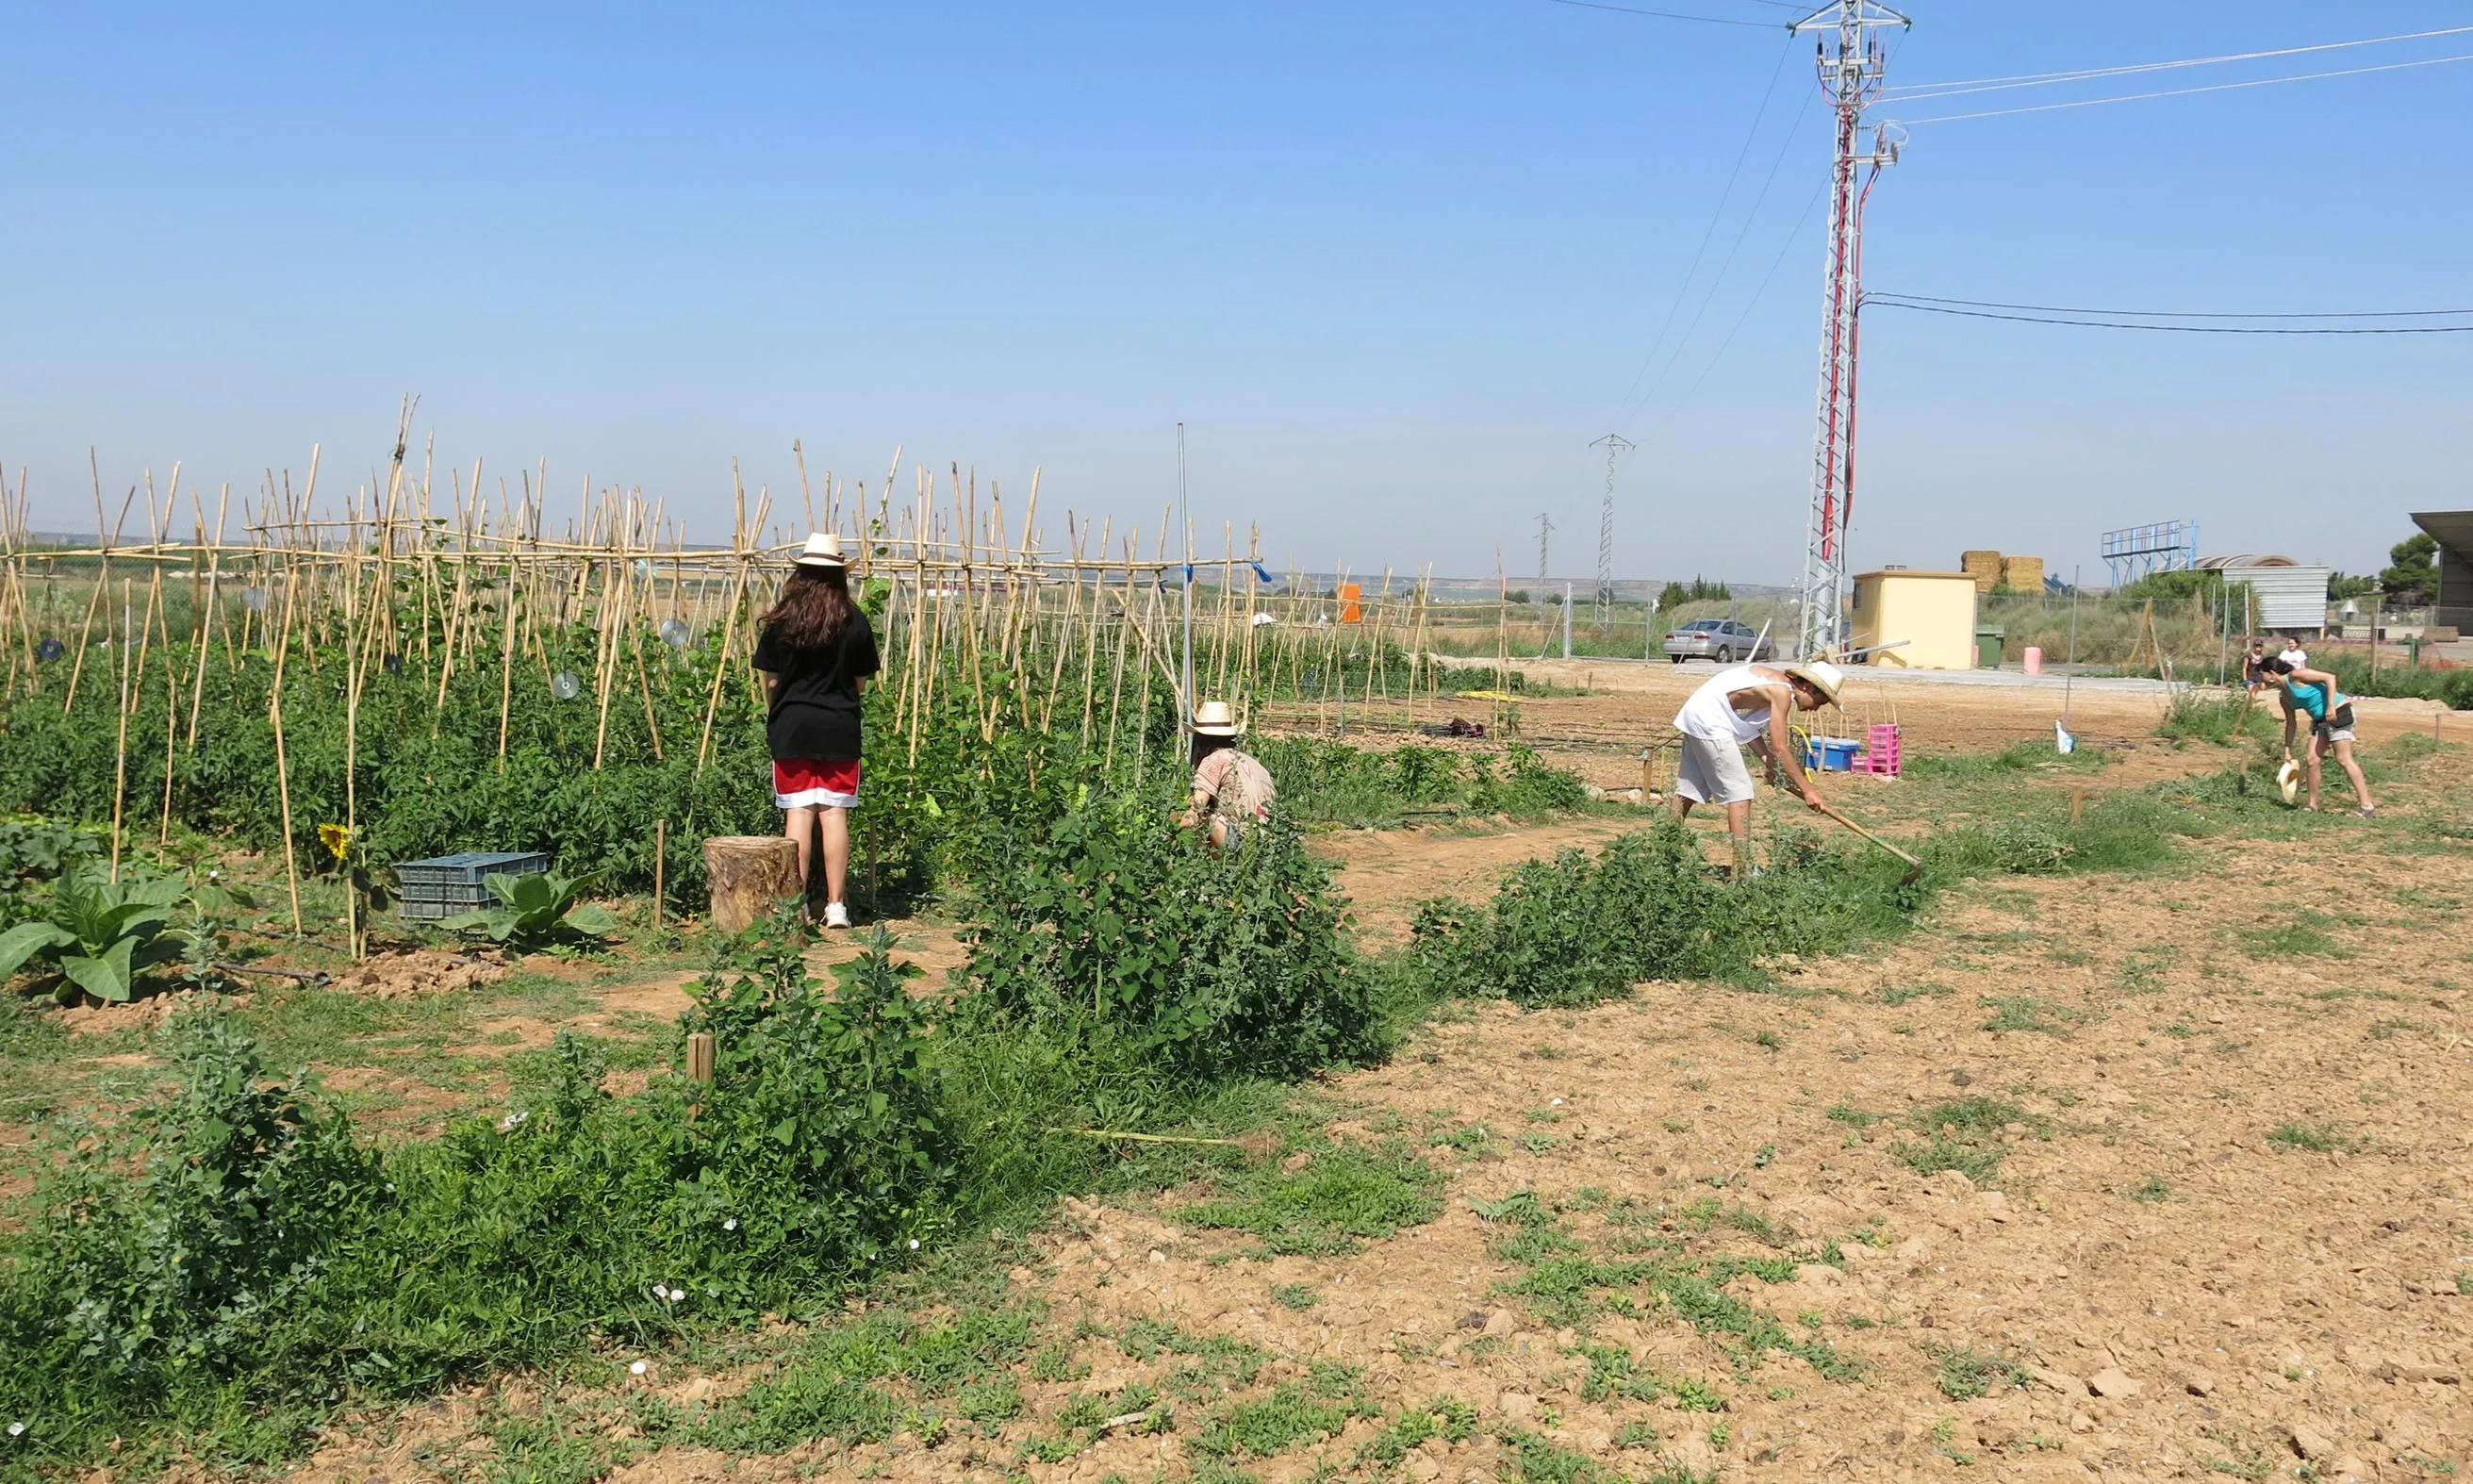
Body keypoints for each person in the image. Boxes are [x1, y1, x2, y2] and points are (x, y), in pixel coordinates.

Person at [752, 533, 880, 927]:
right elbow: (860, 684)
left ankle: (798, 907)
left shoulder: (782, 619)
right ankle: (837, 906)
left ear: (800, 573)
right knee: (835, 814)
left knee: (799, 814)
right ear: (841, 574)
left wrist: (782, 711)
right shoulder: (854, 620)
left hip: (793, 726)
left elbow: (772, 682)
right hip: (840, 727)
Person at [1669, 658, 1845, 872]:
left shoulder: (1777, 685)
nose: (1816, 709)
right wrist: (1808, 791)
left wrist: (1772, 766)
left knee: (1691, 788)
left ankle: (1664, 847)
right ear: (1808, 687)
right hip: (1709, 719)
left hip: (1699, 712)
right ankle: (1741, 871)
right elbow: (1780, 747)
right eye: (1820, 702)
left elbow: (1749, 733)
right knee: (1740, 793)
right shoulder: (1781, 692)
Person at [2260, 658, 2375, 816]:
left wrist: (2330, 707)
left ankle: (2367, 806)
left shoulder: (2296, 676)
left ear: (2272, 674)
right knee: (2312, 760)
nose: (2261, 679)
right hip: (2319, 720)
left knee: (2343, 759)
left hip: (2339, 713)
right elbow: (2291, 723)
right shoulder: (2284, 698)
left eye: (2262, 674)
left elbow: (2330, 678)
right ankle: (2312, 805)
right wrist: (2287, 749)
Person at [1179, 701, 1277, 849]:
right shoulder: (1251, 762)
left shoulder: (1212, 761)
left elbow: (1194, 816)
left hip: (1242, 839)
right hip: (1272, 838)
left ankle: (1212, 866)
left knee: (1202, 817)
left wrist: (1169, 832)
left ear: (1201, 740)